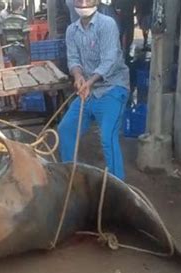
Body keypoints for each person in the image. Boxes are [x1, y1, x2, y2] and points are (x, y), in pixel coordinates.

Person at [58, 0, 130, 180]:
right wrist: (78, 76)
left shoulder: (107, 24)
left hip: (112, 88)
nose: (83, 3)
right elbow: (73, 59)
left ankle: (118, 188)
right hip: (88, 91)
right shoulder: (71, 30)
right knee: (65, 129)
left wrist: (88, 82)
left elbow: (109, 61)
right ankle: (72, 178)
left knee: (107, 137)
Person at [1, 0, 31, 66]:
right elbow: (26, 38)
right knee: (23, 70)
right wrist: (28, 52)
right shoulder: (23, 20)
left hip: (9, 49)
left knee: (14, 70)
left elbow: (3, 36)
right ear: (20, 7)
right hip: (20, 48)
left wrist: (6, 50)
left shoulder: (6, 20)